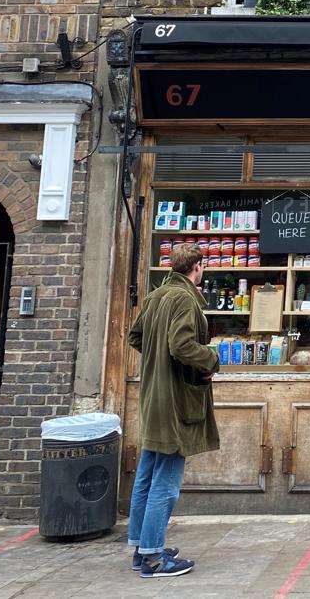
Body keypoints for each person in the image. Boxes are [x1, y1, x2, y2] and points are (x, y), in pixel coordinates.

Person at [126, 242, 221, 578]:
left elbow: (135, 337)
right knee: (166, 480)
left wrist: (157, 359)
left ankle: (141, 547)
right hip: (174, 400)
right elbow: (181, 345)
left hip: (153, 396)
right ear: (197, 266)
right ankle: (153, 558)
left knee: (147, 475)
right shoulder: (183, 298)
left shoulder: (156, 295)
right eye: (203, 266)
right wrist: (210, 359)